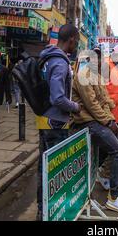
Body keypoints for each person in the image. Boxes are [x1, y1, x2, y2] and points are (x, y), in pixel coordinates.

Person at [72, 47, 118, 214]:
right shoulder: (83, 76)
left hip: (99, 120)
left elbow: (104, 99)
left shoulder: (97, 75)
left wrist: (111, 116)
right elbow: (92, 106)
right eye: (95, 58)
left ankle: (112, 184)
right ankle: (114, 197)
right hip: (87, 122)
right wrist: (109, 122)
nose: (98, 61)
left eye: (100, 58)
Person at [36, 24, 81, 220]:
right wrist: (76, 107)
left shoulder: (46, 57)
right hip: (55, 123)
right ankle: (52, 212)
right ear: (71, 39)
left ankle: (42, 210)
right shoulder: (60, 63)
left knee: (44, 168)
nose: (76, 45)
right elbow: (58, 98)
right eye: (76, 41)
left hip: (45, 119)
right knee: (55, 171)